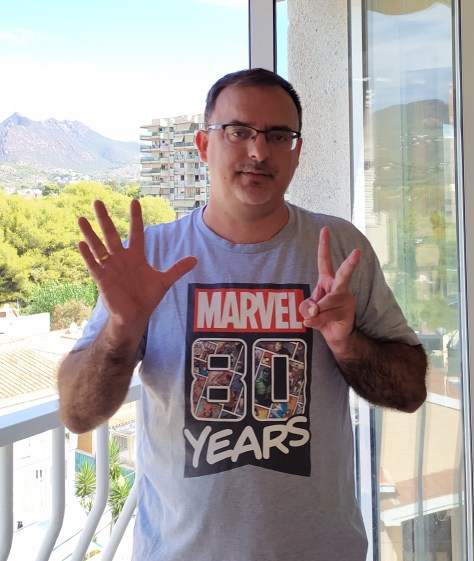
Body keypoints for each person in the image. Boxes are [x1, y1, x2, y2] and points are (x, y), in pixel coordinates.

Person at [57, 68, 427, 561]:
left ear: (296, 151)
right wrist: (121, 330)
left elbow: (409, 391)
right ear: (203, 144)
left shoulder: (339, 247)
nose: (258, 150)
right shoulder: (152, 257)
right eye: (238, 131)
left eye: (278, 135)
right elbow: (78, 413)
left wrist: (346, 342)